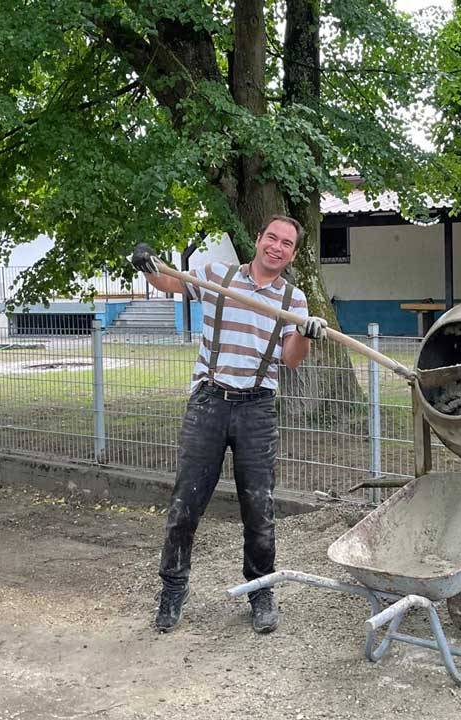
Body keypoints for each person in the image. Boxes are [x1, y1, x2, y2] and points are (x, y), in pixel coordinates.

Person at [129, 216, 328, 634]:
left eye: (286, 243)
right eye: (271, 237)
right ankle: (173, 588)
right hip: (209, 402)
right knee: (186, 503)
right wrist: (147, 265)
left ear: (292, 254)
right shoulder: (218, 275)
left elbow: (291, 360)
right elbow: (170, 283)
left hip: (257, 408)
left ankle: (260, 591)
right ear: (257, 240)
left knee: (259, 507)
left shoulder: (293, 299)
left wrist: (306, 333)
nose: (277, 246)